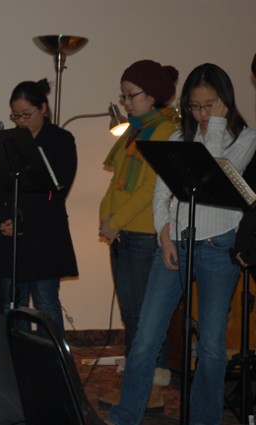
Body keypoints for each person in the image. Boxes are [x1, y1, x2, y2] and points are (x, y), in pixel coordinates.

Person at [107, 63, 256, 425]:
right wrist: (164, 232)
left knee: (211, 346)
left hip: (219, 248)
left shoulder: (246, 138)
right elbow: (162, 194)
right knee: (146, 338)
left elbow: (217, 177)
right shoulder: (177, 139)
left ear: (225, 102)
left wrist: (216, 126)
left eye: (209, 105)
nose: (202, 113)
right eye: (195, 106)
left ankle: (203, 419)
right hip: (176, 243)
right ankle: (127, 416)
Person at [97, 59, 179, 409]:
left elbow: (150, 190)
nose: (127, 102)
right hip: (123, 233)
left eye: (132, 95)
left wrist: (116, 221)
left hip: (144, 234)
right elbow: (117, 182)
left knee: (147, 318)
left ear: (153, 95)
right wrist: (106, 217)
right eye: (124, 95)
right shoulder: (134, 131)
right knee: (132, 315)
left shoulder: (164, 131)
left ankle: (151, 388)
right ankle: (137, 385)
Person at [0, 79, 78, 338]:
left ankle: (53, 357)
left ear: (43, 108)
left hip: (44, 233)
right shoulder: (7, 141)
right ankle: (17, 355)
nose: (21, 121)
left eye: (26, 114)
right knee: (12, 303)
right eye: (16, 115)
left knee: (46, 302)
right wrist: (2, 219)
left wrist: (23, 222)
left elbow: (57, 191)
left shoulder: (61, 140)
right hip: (9, 232)